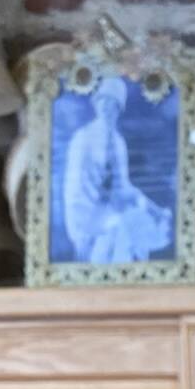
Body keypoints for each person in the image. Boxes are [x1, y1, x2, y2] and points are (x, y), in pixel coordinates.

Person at [57, 74, 169, 270]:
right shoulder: (82, 138)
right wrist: (80, 233)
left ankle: (130, 279)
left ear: (119, 109)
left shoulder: (118, 143)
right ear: (96, 103)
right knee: (122, 226)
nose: (107, 108)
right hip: (85, 214)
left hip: (108, 210)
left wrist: (155, 209)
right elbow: (74, 190)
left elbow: (123, 187)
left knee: (140, 222)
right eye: (104, 101)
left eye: (113, 104)